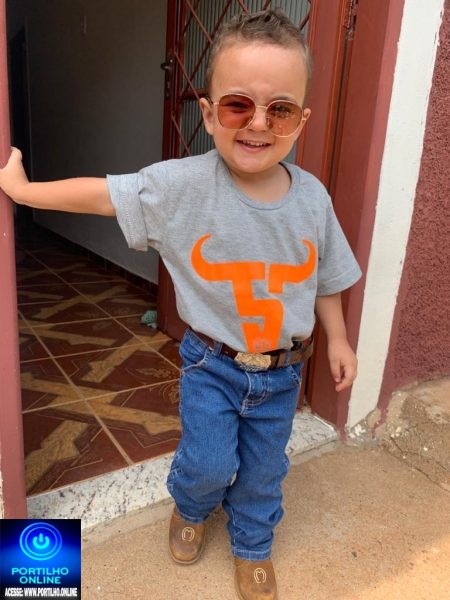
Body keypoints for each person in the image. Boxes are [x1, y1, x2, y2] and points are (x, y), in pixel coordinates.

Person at [0, 9, 361, 600]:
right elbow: (105, 196)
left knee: (266, 469)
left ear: (302, 120)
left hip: (281, 372)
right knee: (208, 461)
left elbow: (328, 276)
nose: (258, 124)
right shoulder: (182, 185)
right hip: (212, 365)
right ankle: (191, 508)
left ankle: (253, 544)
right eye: (238, 105)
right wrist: (23, 191)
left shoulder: (313, 199)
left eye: (280, 110)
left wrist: (339, 339)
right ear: (209, 113)